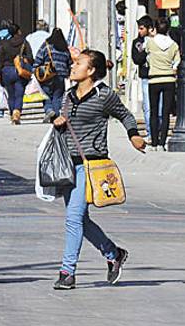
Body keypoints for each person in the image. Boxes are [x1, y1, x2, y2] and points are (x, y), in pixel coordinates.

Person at [49, 49, 144, 290]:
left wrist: (134, 136)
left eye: (78, 63)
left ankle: (67, 272)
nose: (73, 66)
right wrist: (56, 119)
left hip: (91, 166)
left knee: (73, 219)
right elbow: (59, 117)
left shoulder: (104, 96)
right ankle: (113, 253)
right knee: (81, 219)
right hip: (68, 166)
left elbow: (125, 115)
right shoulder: (68, 96)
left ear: (90, 71)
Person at [145, 17, 179, 150]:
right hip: (169, 79)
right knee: (165, 113)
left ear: (155, 28)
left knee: (154, 112)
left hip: (154, 79)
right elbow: (177, 62)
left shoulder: (150, 43)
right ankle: (162, 142)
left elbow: (145, 54)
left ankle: (153, 142)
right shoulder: (173, 45)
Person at [0, 25, 30, 125]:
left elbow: (1, 60)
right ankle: (16, 112)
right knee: (19, 93)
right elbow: (30, 57)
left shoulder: (4, 44)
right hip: (19, 70)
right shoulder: (23, 42)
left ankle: (12, 113)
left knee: (11, 94)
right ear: (18, 31)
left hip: (6, 70)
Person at [34, 28, 72, 122]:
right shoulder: (64, 48)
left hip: (47, 75)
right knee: (57, 96)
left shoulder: (46, 45)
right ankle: (56, 116)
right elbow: (69, 62)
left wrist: (35, 70)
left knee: (46, 95)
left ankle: (49, 110)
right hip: (60, 76)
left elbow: (39, 58)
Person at [130, 15, 154, 133]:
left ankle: (158, 131)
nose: (140, 31)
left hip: (158, 75)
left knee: (159, 107)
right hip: (145, 76)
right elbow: (137, 59)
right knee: (148, 106)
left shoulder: (157, 40)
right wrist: (145, 50)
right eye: (139, 28)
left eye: (142, 28)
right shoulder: (137, 43)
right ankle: (150, 131)